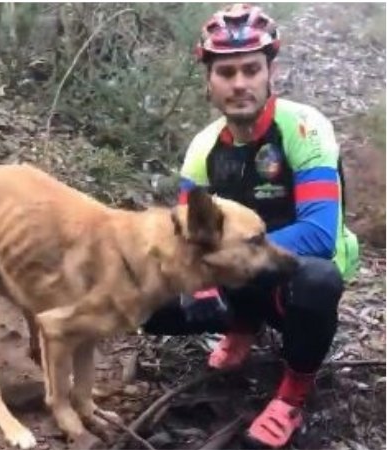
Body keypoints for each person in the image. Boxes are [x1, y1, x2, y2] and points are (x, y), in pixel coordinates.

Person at [140, 4, 359, 449]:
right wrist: (197, 280)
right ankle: (241, 324)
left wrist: (217, 269)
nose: (239, 83)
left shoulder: (303, 127)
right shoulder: (203, 148)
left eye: (250, 69)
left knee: (317, 280)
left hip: (296, 274)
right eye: (226, 72)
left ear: (269, 72)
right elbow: (186, 238)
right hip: (240, 270)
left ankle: (293, 393)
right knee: (149, 297)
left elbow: (318, 234)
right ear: (208, 80)